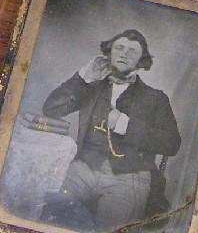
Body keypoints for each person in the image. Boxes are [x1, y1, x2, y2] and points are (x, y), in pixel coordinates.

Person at [41, 29, 181, 232]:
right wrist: (83, 77)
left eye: (132, 51)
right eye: (119, 48)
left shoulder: (156, 98)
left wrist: (125, 124)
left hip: (130, 175)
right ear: (109, 53)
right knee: (51, 216)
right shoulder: (91, 86)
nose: (124, 54)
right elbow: (51, 109)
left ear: (142, 61)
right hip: (84, 168)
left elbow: (171, 143)